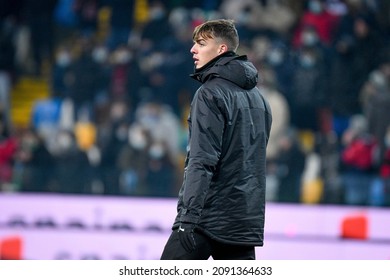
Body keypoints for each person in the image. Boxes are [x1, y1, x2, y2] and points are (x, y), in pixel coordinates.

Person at [160, 19, 272, 260]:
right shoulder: (260, 99)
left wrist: (187, 217)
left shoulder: (209, 93)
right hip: (243, 220)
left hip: (206, 216)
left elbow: (202, 160)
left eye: (200, 43)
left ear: (222, 49)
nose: (193, 49)